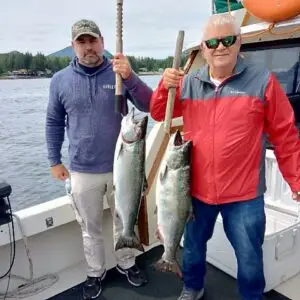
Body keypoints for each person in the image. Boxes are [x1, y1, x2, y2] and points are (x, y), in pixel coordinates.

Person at [150, 14, 300, 300]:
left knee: (250, 257)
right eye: (213, 42)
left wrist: (297, 180)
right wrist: (164, 86)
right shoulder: (189, 81)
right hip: (195, 191)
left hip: (244, 194)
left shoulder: (262, 82)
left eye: (228, 40)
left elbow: (285, 135)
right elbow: (159, 113)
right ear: (204, 48)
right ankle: (192, 287)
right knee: (193, 248)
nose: (220, 47)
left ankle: (251, 297)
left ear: (239, 42)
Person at [45, 19, 152, 300]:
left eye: (92, 41)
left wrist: (129, 76)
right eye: (81, 42)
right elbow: (54, 122)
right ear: (73, 46)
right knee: (89, 227)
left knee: (124, 220)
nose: (88, 47)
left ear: (103, 42)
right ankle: (95, 271)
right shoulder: (59, 81)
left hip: (123, 168)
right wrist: (54, 160)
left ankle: (127, 262)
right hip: (82, 170)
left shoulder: (119, 72)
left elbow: (149, 105)